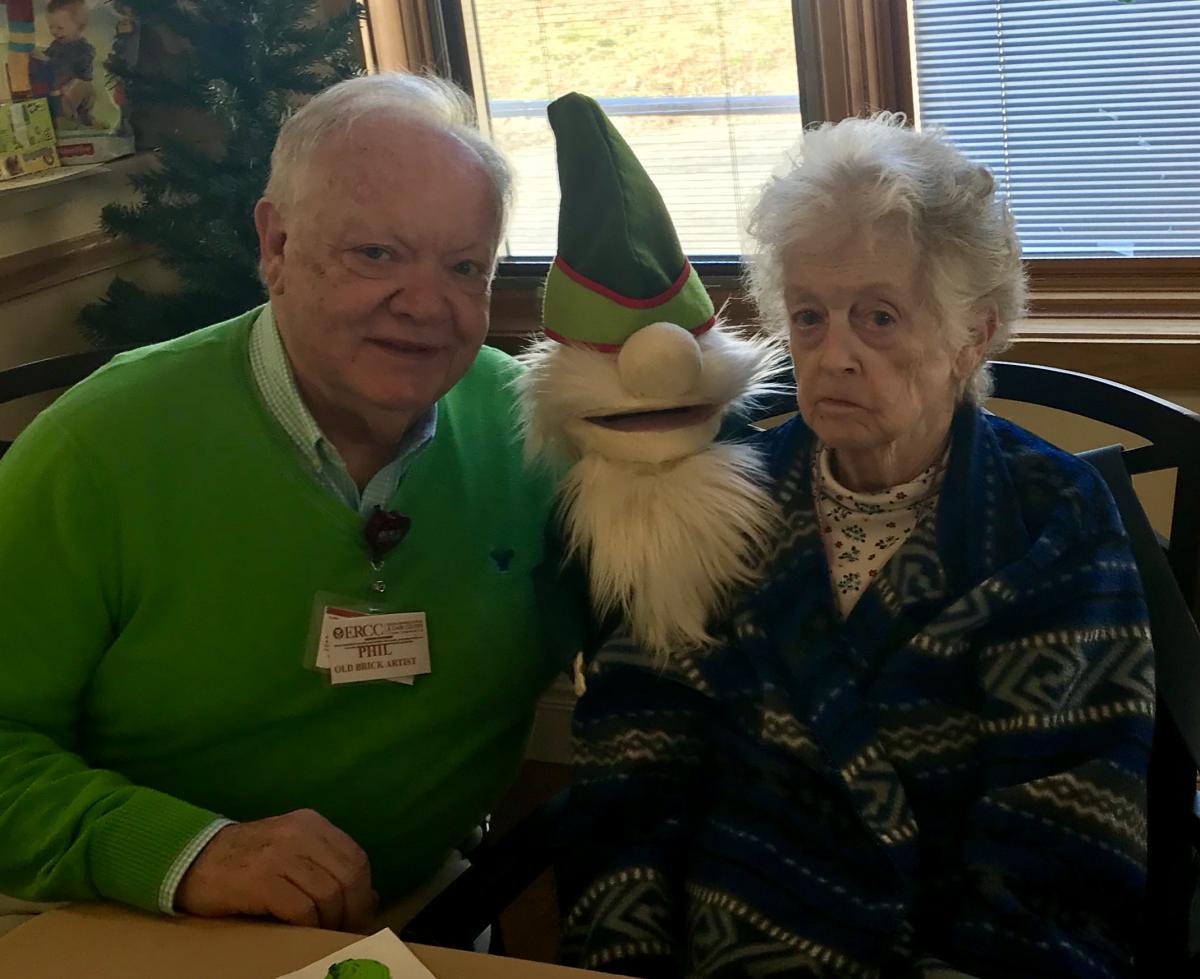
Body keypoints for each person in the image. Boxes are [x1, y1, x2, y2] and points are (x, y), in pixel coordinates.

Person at [556, 114, 1155, 978]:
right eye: (809, 316)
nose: (833, 355)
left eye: (878, 317)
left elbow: (1064, 839)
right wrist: (627, 957)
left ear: (973, 333)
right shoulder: (721, 498)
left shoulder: (1049, 517)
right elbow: (635, 763)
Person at [0, 72, 578, 937]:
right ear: (275, 244)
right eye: (375, 254)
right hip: (132, 905)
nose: (426, 305)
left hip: (419, 906)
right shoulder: (98, 447)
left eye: (465, 267)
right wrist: (189, 852)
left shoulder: (533, 431)